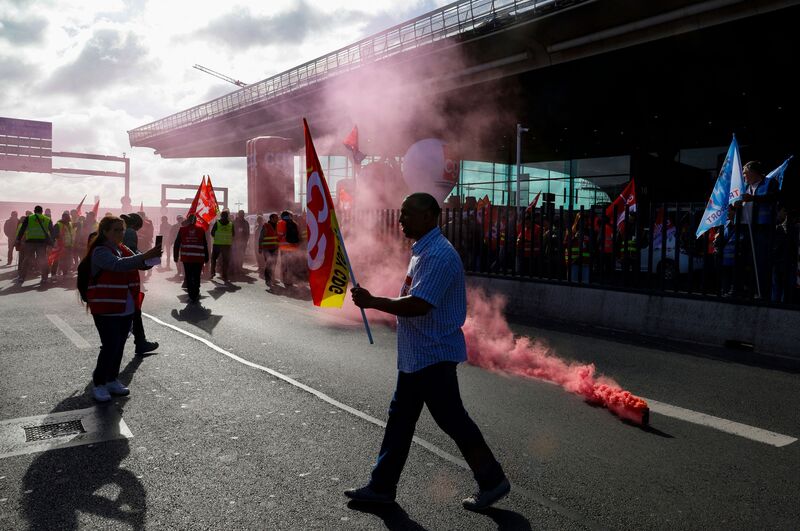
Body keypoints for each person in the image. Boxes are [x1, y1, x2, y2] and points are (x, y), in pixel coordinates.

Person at [347, 192, 509, 511]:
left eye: (408, 213)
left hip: (432, 356)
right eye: (402, 212)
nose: (401, 219)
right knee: (402, 421)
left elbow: (420, 304)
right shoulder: (423, 250)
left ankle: (492, 481)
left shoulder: (437, 255)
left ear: (428, 217)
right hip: (419, 356)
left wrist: (374, 301)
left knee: (451, 421)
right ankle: (382, 487)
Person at [77, 216, 162, 402]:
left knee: (120, 345)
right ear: (105, 232)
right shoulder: (100, 251)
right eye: (116, 230)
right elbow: (117, 265)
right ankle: (99, 383)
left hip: (125, 306)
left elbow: (137, 262)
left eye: (121, 230)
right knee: (110, 345)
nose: (120, 233)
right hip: (106, 306)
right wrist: (145, 257)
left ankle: (111, 379)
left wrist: (152, 258)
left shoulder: (122, 248)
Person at [732, 160, 780, 298]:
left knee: (761, 260)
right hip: (745, 227)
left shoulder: (770, 183)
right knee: (745, 259)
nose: (744, 176)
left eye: (746, 173)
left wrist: (754, 198)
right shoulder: (744, 186)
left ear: (754, 172)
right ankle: (746, 289)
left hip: (762, 227)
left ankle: (762, 292)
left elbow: (774, 197)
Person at [120, 213, 159, 356]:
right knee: (134, 312)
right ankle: (139, 342)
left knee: (132, 312)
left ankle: (137, 341)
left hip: (122, 277)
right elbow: (131, 255)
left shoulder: (124, 231)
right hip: (126, 279)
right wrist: (148, 260)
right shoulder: (130, 232)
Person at [174, 214, 209, 303]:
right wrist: (207, 257)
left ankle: (191, 295)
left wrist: (175, 256)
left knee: (189, 276)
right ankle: (196, 293)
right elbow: (205, 244)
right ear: (196, 220)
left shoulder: (182, 229)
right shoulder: (201, 230)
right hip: (199, 258)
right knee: (197, 276)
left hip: (187, 258)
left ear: (188, 220)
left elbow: (177, 243)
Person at [15, 205, 53, 285]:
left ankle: (22, 277)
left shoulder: (29, 218)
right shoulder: (47, 219)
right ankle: (44, 278)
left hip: (30, 242)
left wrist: (18, 239)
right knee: (43, 260)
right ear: (42, 211)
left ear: (34, 210)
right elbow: (52, 232)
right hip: (42, 242)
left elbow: (22, 229)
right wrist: (52, 243)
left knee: (26, 259)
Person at [276, 210, 303, 286]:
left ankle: (284, 279)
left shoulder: (280, 223)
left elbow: (279, 235)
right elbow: (299, 236)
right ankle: (290, 279)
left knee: (284, 263)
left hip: (284, 247)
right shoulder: (294, 223)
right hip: (293, 247)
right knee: (291, 264)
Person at [51, 211, 76, 277]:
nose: (68, 220)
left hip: (69, 246)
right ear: (63, 218)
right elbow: (54, 235)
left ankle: (65, 273)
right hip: (60, 246)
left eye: (69, 218)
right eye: (67, 218)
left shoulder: (69, 224)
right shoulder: (58, 224)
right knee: (57, 260)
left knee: (66, 260)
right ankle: (53, 274)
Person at [210, 210, 233, 281]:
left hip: (217, 244)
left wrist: (217, 237)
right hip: (227, 245)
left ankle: (212, 272)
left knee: (213, 259)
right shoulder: (230, 224)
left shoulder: (217, 223)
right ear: (227, 216)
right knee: (225, 261)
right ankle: (224, 275)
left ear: (221, 216)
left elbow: (212, 233)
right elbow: (233, 234)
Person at [259, 213, 279, 286]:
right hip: (266, 249)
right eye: (276, 218)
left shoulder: (278, 226)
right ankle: (268, 280)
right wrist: (260, 248)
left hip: (275, 248)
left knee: (274, 264)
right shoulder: (266, 226)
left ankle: (272, 278)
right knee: (268, 264)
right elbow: (261, 238)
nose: (277, 219)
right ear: (271, 219)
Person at [232, 210, 250, 277]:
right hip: (235, 242)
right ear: (238, 214)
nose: (242, 215)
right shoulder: (234, 222)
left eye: (243, 214)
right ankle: (235, 269)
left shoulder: (246, 223)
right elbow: (232, 232)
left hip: (243, 242)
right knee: (235, 256)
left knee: (241, 256)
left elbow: (248, 233)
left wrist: (246, 240)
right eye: (241, 214)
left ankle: (240, 268)